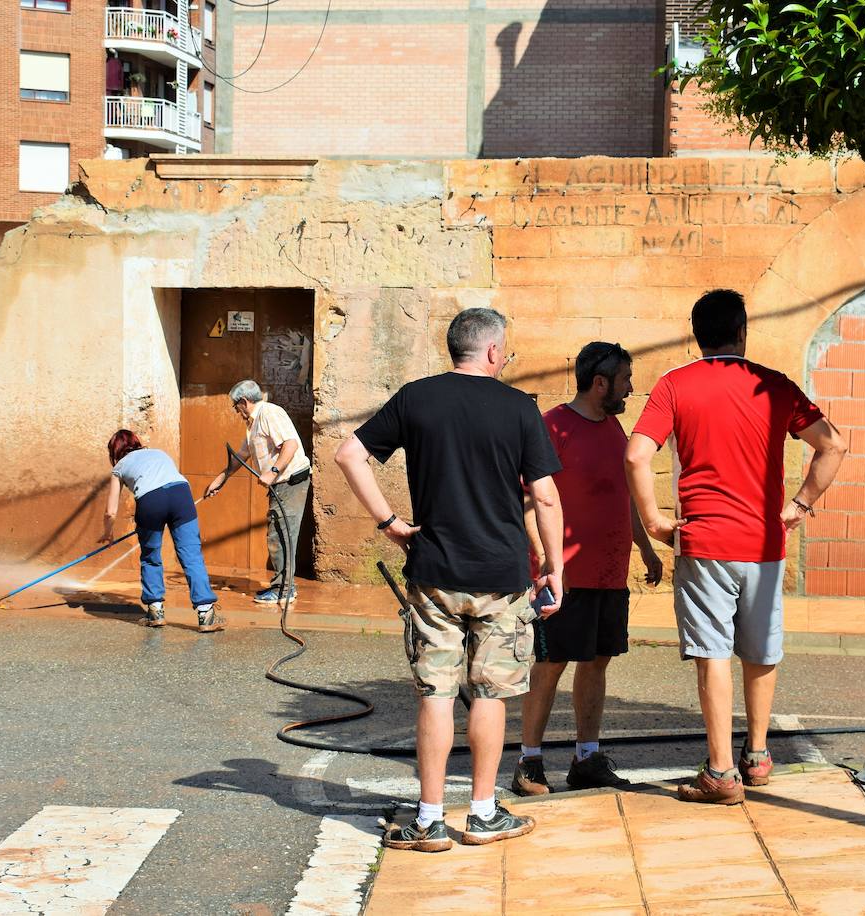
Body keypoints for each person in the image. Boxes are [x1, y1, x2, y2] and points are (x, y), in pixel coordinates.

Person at [334, 307, 565, 852]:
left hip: (434, 571)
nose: (505, 356)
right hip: (503, 578)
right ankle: (483, 813)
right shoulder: (519, 409)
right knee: (489, 693)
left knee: (436, 694)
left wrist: (389, 523)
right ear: (491, 351)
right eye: (504, 348)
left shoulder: (417, 397)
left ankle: (429, 820)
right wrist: (554, 565)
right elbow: (546, 495)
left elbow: (350, 455)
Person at [625, 289, 848, 804]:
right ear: (743, 331)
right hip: (765, 541)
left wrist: (655, 520)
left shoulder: (675, 385)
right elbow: (833, 444)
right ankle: (758, 756)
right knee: (761, 650)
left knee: (713, 654)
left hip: (703, 540)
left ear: (695, 334)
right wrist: (802, 504)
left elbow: (637, 456)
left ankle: (721, 772)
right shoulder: (773, 386)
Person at [511, 341, 664, 797]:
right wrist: (541, 563)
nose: (630, 389)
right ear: (600, 383)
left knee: (597, 662)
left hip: (609, 574)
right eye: (624, 380)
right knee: (550, 663)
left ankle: (586, 758)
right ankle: (529, 762)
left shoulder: (616, 429)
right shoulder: (553, 427)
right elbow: (526, 502)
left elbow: (625, 497)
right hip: (565, 575)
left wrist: (647, 549)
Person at [203, 380, 312, 605]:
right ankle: (283, 587)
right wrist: (221, 479)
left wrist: (272, 471)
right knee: (278, 533)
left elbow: (290, 445)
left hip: (291, 481)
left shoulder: (270, 413)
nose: (237, 412)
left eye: (236, 407)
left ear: (244, 402)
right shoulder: (253, 425)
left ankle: (284, 590)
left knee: (281, 534)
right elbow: (242, 455)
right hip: (280, 484)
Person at [103, 429, 224, 633]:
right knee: (192, 556)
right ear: (136, 443)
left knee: (151, 557)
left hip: (150, 501)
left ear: (115, 452)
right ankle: (206, 614)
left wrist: (107, 533)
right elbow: (168, 481)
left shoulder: (120, 466)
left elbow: (110, 511)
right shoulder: (159, 453)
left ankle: (155, 611)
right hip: (181, 495)